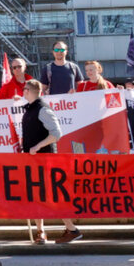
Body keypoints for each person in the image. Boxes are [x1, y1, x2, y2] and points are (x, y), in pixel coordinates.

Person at [21, 79, 81, 244]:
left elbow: (56, 133)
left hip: (45, 159)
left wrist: (37, 146)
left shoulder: (42, 109)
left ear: (28, 91)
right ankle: (41, 231)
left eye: (24, 89)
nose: (22, 91)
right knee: (36, 196)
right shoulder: (31, 109)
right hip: (34, 159)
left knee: (51, 196)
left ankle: (71, 229)